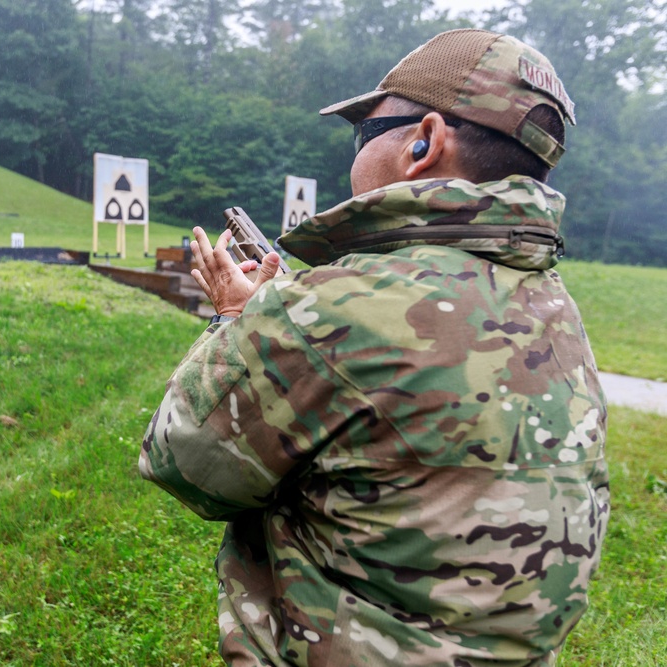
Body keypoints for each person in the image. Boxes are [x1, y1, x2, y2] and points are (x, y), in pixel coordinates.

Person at [139, 29, 609, 667]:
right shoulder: (556, 306)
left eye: (365, 134)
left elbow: (184, 463)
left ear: (425, 142)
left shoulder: (327, 310)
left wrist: (239, 321)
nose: (353, 159)